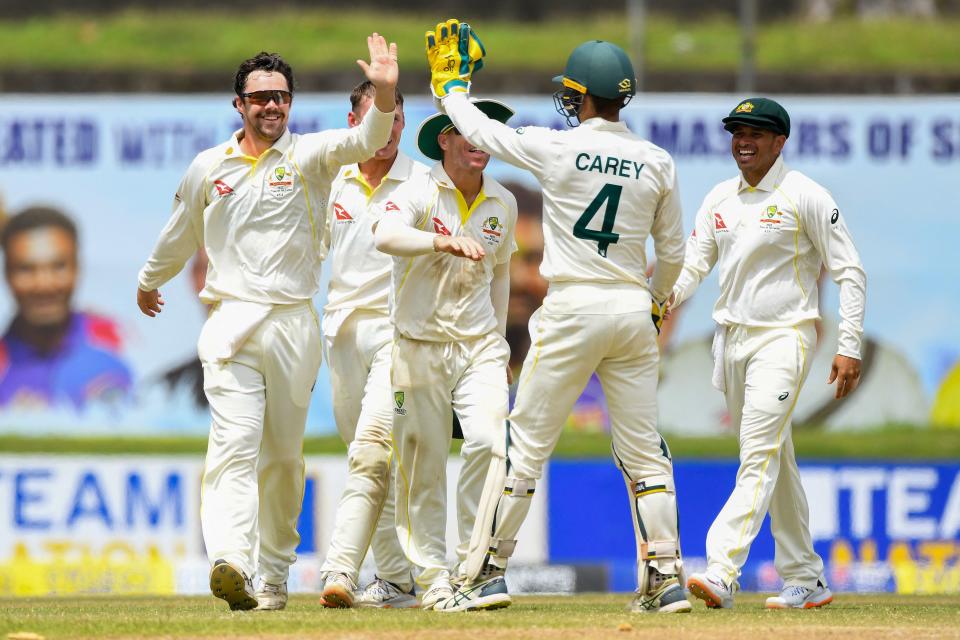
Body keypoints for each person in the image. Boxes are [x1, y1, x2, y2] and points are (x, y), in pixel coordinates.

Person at [424, 22, 690, 614]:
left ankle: (485, 574)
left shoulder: (558, 146)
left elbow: (481, 131)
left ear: (585, 97)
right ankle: (667, 576)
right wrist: (656, 303)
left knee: (525, 446)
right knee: (645, 453)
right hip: (629, 308)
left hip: (572, 306)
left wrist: (451, 88)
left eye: (573, 91)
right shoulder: (656, 161)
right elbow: (672, 254)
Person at [135, 40, 399, 612]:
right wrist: (148, 279)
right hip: (230, 322)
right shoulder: (210, 166)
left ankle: (274, 576)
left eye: (281, 97)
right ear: (240, 104)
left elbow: (367, 139)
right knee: (233, 445)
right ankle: (232, 559)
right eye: (261, 98)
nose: (272, 107)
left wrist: (382, 89)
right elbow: (179, 231)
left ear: (291, 102)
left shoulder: (310, 156)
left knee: (281, 456)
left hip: (293, 325)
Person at [670, 98, 866, 610]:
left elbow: (849, 271)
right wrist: (660, 302)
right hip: (732, 340)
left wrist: (848, 345)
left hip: (786, 338)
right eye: (737, 131)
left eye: (756, 132)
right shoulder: (718, 198)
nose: (744, 140)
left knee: (756, 455)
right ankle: (806, 578)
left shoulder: (806, 195)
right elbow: (693, 267)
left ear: (780, 141)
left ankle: (721, 570)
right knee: (776, 456)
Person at [372, 98, 518, 610]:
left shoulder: (502, 200)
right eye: (469, 130)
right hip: (418, 345)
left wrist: (498, 344)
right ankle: (432, 576)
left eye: (489, 130)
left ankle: (471, 568)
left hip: (478, 347)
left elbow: (500, 274)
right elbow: (384, 235)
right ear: (445, 140)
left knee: (489, 444)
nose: (481, 138)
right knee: (422, 464)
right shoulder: (417, 187)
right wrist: (441, 244)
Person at [318, 81, 425, 609]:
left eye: (397, 120)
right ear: (355, 121)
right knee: (365, 460)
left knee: (372, 453)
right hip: (340, 333)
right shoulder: (335, 178)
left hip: (394, 333)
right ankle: (399, 583)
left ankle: (338, 567)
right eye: (379, 119)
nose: (389, 131)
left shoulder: (420, 183)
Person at [0, 206, 132, 410]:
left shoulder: (122, 348)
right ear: (6, 274)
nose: (44, 284)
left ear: (78, 268)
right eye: (26, 269)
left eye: (59, 266)